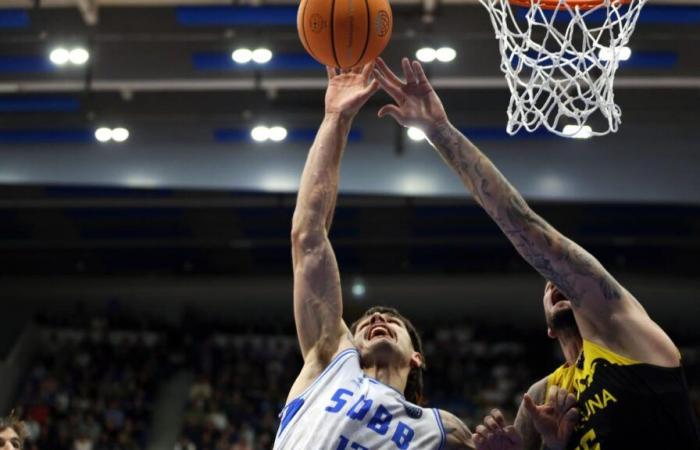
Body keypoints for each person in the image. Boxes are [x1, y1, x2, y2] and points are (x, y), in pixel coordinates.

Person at [372, 56, 700, 450]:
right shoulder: (540, 395)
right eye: (547, 287)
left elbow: (524, 225)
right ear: (547, 326)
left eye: (558, 279)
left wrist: (439, 130)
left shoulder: (621, 325)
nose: (553, 282)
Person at [273, 62, 474, 449]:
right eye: (366, 321)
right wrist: (336, 118)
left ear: (417, 357)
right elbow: (308, 236)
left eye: (393, 322)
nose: (379, 317)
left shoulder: (445, 430)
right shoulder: (330, 359)